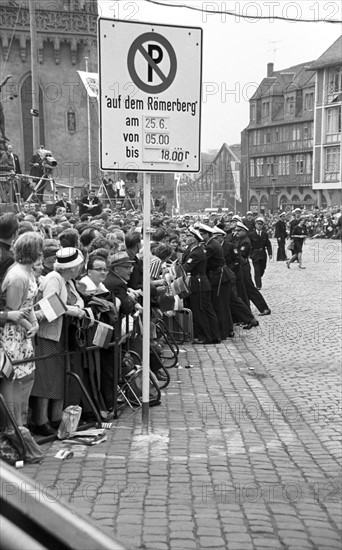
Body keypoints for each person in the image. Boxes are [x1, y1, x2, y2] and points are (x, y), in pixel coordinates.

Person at [30, 247, 86, 435]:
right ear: (72, 267)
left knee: (56, 378)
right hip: (48, 334)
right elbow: (49, 305)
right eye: (78, 266)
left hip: (60, 334)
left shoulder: (68, 281)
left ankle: (54, 417)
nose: (80, 269)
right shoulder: (54, 278)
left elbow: (79, 301)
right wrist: (73, 310)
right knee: (46, 378)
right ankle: (41, 420)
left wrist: (75, 307)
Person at [0, 232, 42, 429]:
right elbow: (12, 310)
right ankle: (13, 426)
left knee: (25, 377)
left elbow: (29, 305)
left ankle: (20, 424)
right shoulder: (17, 276)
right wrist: (28, 325)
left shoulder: (29, 272)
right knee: (13, 380)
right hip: (12, 336)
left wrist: (34, 323)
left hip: (23, 335)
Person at [182, 226, 220, 344]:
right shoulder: (192, 250)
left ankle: (206, 336)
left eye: (188, 236)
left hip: (199, 284)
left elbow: (186, 267)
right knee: (205, 310)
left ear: (194, 239)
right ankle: (213, 335)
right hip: (198, 283)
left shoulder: (196, 253)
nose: (185, 237)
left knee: (201, 310)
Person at [249, 217, 272, 290]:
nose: (259, 225)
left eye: (261, 224)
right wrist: (249, 254)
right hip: (255, 254)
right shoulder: (251, 234)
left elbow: (268, 244)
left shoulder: (265, 234)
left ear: (262, 225)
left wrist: (270, 253)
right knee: (257, 270)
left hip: (262, 254)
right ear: (255, 225)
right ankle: (258, 285)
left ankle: (259, 277)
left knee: (262, 268)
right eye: (258, 224)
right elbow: (249, 245)